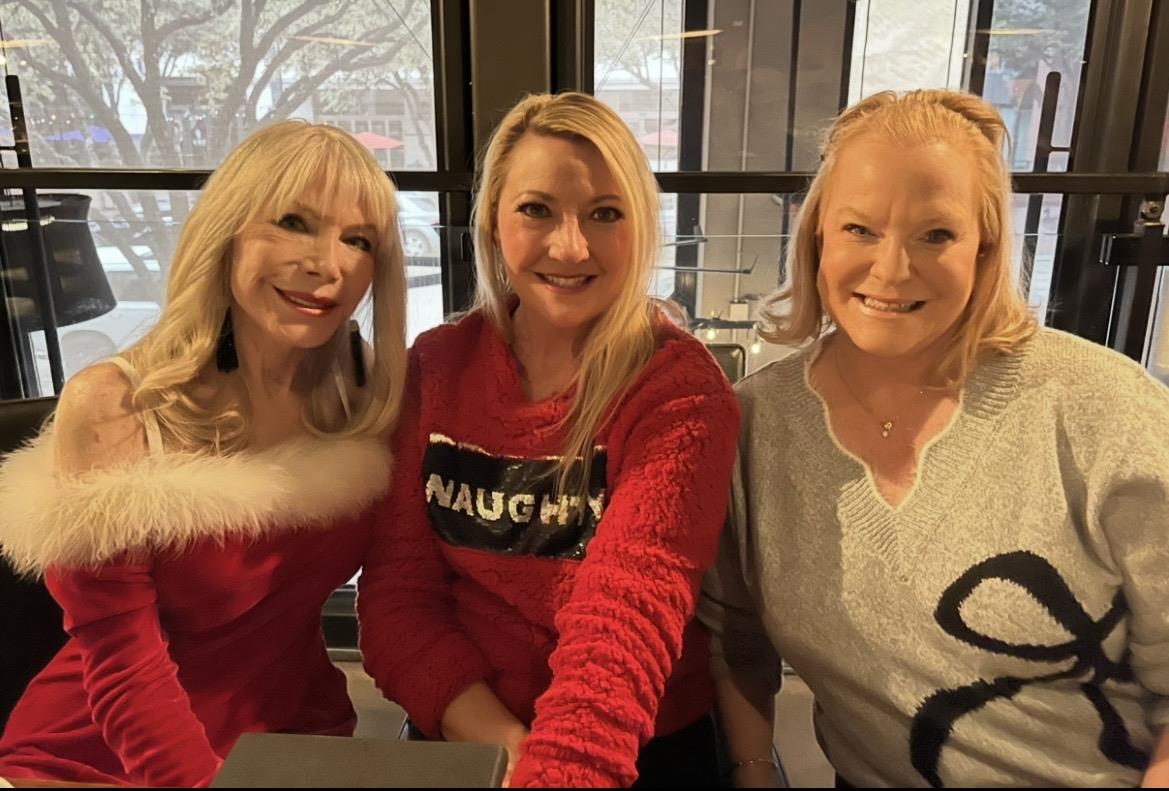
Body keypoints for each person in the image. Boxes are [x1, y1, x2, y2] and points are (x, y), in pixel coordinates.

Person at [698, 88, 1169, 788]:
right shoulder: (756, 424)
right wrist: (750, 770)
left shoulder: (1104, 410)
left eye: (935, 234)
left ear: (983, 246)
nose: (891, 269)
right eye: (860, 229)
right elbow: (734, 638)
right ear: (816, 234)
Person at [0, 119, 408, 788]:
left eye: (357, 239)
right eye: (294, 222)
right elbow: (123, 665)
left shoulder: (363, 394)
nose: (326, 263)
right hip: (101, 758)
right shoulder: (115, 405)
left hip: (295, 740)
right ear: (226, 231)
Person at [357, 92, 740, 788]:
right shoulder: (437, 366)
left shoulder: (678, 388)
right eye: (537, 210)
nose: (571, 246)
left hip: (627, 746)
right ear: (495, 222)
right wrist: (506, 745)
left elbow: (626, 618)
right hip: (466, 731)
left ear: (639, 227)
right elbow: (397, 601)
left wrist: (551, 770)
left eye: (604, 213)